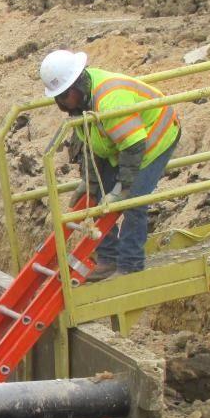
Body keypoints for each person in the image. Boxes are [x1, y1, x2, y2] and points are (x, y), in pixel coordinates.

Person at [40, 49, 182, 280]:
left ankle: (130, 265)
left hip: (155, 136)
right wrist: (90, 181)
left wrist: (123, 188)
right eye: (57, 98)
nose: (61, 103)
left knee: (133, 200)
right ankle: (108, 258)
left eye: (63, 96)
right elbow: (91, 144)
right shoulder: (80, 105)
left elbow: (133, 147)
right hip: (122, 143)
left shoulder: (110, 100)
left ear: (76, 85)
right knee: (99, 194)